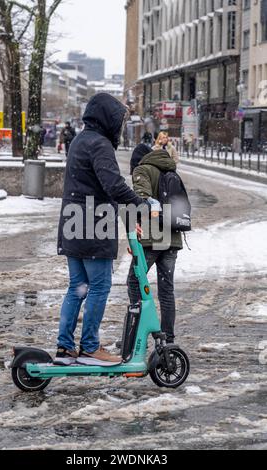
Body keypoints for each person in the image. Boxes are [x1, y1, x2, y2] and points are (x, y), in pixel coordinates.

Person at [55, 93, 159, 367]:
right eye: (118, 121)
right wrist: (140, 205)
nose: (120, 127)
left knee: (77, 287)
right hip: (93, 226)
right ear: (107, 120)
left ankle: (65, 348)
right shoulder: (100, 145)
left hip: (74, 223)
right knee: (100, 285)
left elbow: (98, 186)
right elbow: (113, 185)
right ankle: (90, 347)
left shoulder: (80, 140)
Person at [127, 146, 183, 344]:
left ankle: (135, 334)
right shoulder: (170, 169)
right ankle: (168, 339)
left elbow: (141, 202)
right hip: (173, 237)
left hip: (152, 238)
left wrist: (134, 226)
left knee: (134, 282)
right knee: (166, 289)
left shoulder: (142, 169)